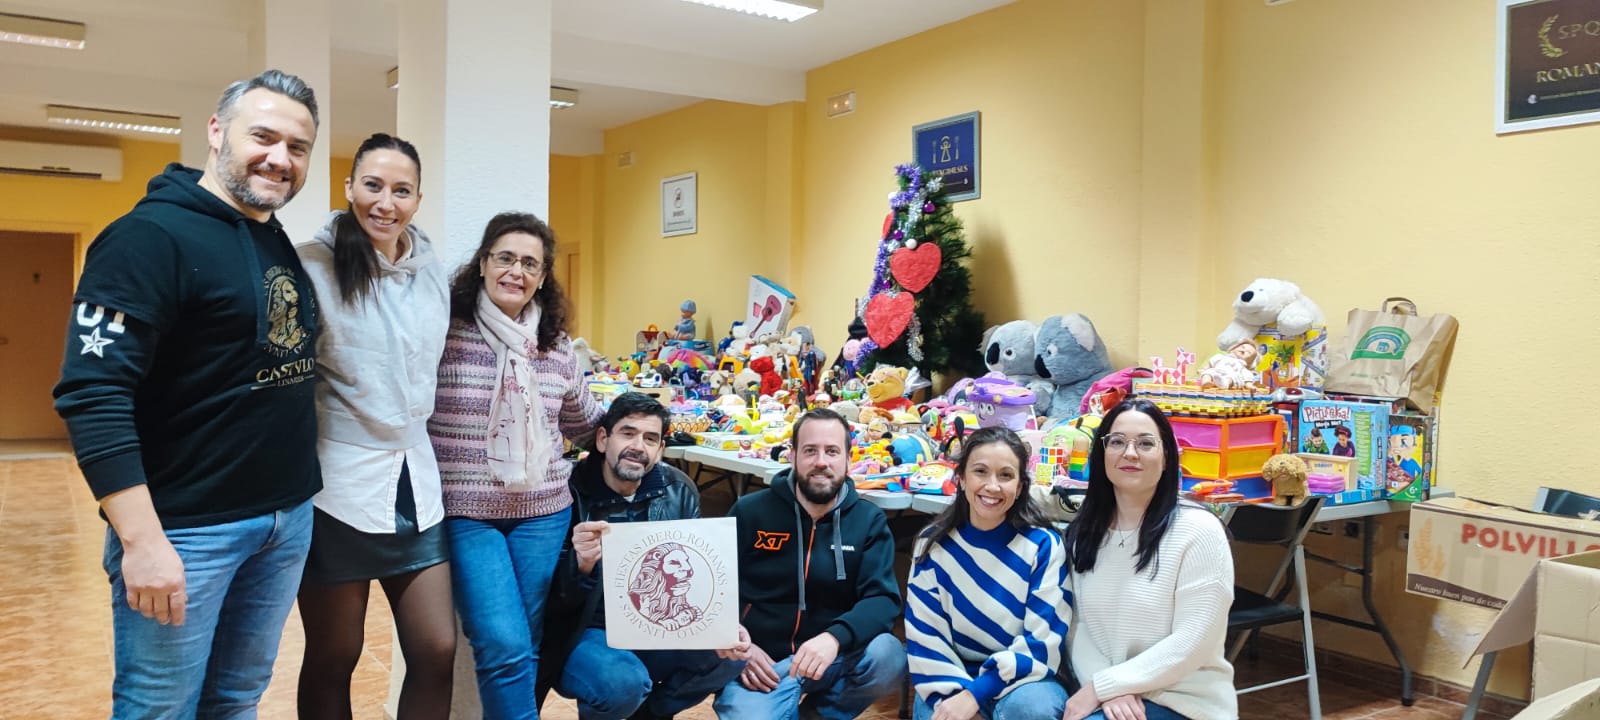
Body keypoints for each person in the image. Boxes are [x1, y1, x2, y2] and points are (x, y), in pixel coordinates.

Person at [51, 69, 322, 718]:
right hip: (187, 530)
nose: (279, 158)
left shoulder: (269, 233)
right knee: (158, 707)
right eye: (263, 136)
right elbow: (92, 393)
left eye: (298, 146)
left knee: (235, 701)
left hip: (282, 523)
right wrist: (142, 542)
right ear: (216, 131)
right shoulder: (147, 239)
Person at [293, 133, 455, 718]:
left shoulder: (431, 271)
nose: (385, 202)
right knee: (336, 653)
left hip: (416, 479)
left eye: (401, 190)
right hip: (338, 484)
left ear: (417, 198)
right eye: (373, 185)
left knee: (437, 648)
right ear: (348, 188)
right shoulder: (312, 265)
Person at [429, 211, 604, 719]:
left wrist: (635, 427)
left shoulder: (555, 347)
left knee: (524, 642)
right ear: (483, 263)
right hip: (467, 512)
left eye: (531, 263)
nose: (517, 271)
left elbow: (581, 421)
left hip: (543, 512)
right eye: (505, 258)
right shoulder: (445, 332)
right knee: (502, 643)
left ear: (544, 276)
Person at [539, 392, 744, 719]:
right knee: (620, 684)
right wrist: (580, 564)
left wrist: (719, 623)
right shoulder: (566, 490)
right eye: (628, 433)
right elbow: (543, 598)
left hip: (654, 622)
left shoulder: (680, 489)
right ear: (603, 440)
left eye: (650, 439)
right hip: (583, 630)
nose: (639, 446)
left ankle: (648, 714)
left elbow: (696, 572)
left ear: (661, 450)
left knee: (734, 653)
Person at [714, 408, 907, 720]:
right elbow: (713, 591)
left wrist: (834, 638)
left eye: (832, 451)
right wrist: (738, 647)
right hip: (761, 663)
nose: (821, 461)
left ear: (848, 459)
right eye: (810, 451)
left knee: (888, 655)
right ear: (792, 457)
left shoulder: (869, 521)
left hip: (832, 655)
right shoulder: (749, 512)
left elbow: (882, 600)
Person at [1061, 398, 1236, 720]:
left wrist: (1105, 687)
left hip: (1185, 701)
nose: (1130, 453)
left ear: (1167, 456)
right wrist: (1105, 687)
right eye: (1117, 442)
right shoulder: (1083, 532)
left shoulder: (1199, 531)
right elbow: (1076, 626)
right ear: (1101, 455)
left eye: (1145, 443)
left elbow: (1192, 642)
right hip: (1108, 694)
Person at [906, 426, 1071, 720]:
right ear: (960, 478)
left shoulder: (1043, 546)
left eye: (1005, 476)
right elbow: (926, 637)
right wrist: (961, 697)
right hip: (951, 674)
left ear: (1020, 487)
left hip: (1026, 679)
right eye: (980, 471)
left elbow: (1043, 642)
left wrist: (977, 693)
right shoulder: (932, 545)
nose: (992, 486)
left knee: (1032, 709)